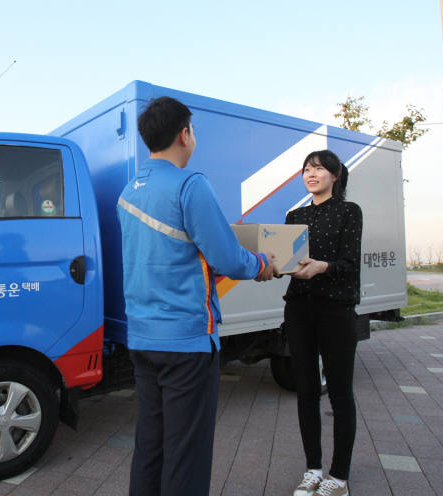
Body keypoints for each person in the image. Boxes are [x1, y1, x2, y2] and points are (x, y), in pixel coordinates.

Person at [117, 96, 278, 496]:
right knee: (186, 454)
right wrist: (262, 264)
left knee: (150, 447)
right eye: (193, 131)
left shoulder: (128, 193)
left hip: (141, 337)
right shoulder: (190, 184)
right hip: (186, 340)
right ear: (184, 133)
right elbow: (226, 258)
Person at [283, 150, 362, 496]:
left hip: (337, 310)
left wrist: (323, 266)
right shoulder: (294, 215)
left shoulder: (349, 211)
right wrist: (271, 267)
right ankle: (312, 469)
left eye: (318, 168)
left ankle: (339, 476)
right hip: (299, 308)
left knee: (341, 393)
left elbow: (350, 262)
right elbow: (288, 261)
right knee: (306, 391)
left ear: (335, 174)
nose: (310, 174)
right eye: (306, 169)